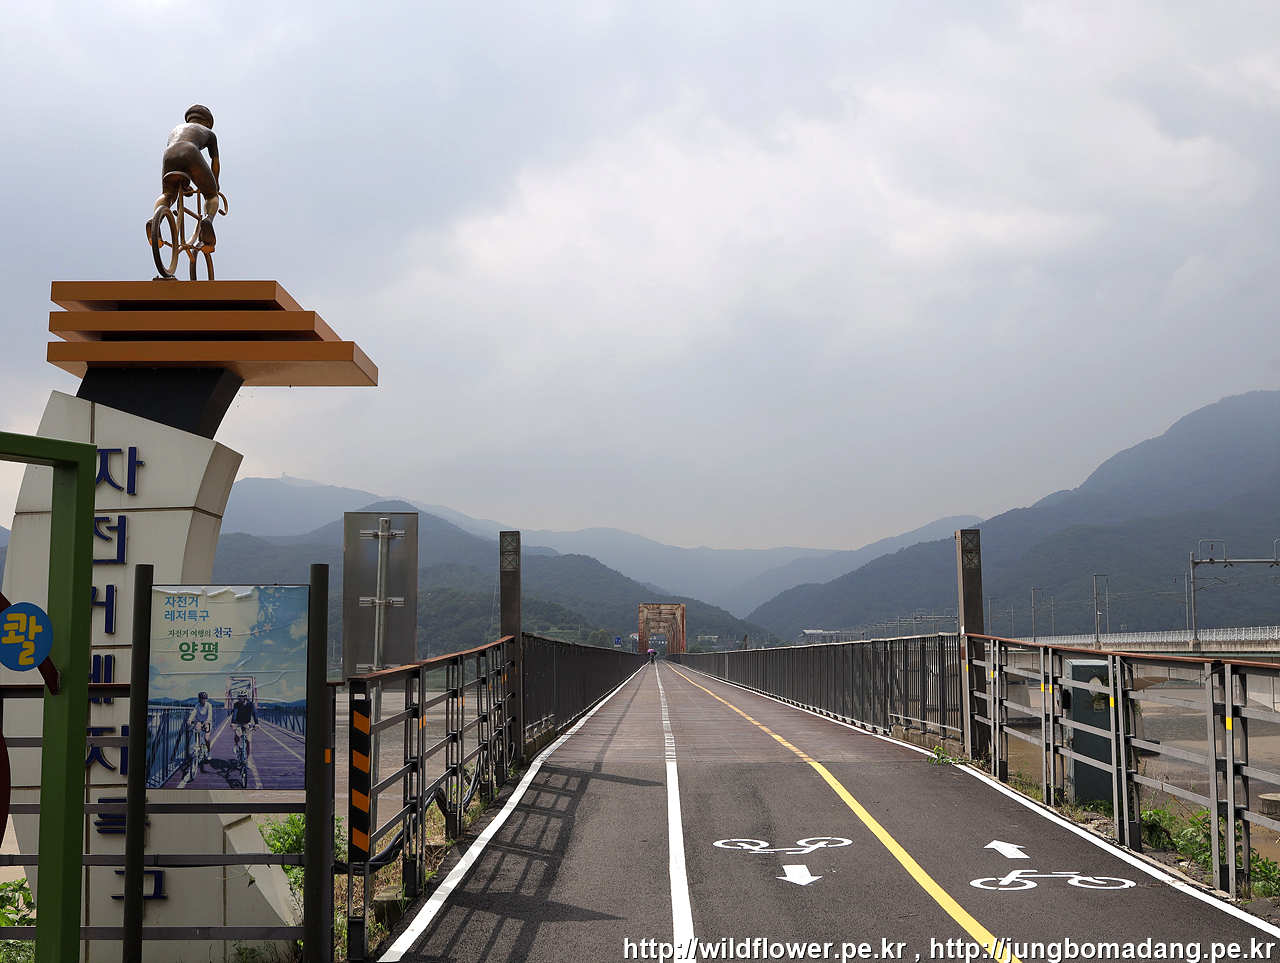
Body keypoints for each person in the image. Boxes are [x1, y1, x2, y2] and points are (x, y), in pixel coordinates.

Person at [150, 104, 221, 250]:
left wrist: (185, 184)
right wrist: (215, 183)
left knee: (168, 194)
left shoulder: (175, 130)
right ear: (208, 122)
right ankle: (208, 220)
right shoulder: (209, 133)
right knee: (211, 196)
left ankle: (155, 220)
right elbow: (215, 161)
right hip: (190, 151)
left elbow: (179, 157)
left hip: (169, 155)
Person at [186, 691, 214, 765]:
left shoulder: (209, 705)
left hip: (207, 722)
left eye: (205, 698)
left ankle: (209, 751)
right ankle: (197, 746)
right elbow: (194, 712)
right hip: (200, 721)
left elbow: (210, 714)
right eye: (202, 698)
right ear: (199, 699)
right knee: (197, 730)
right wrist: (189, 720)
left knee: (206, 738)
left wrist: (207, 721)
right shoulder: (197, 705)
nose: (204, 700)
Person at [230, 693, 259, 759]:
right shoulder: (237, 704)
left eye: (240, 697)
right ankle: (236, 744)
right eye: (238, 696)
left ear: (245, 697)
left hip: (247, 723)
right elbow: (235, 713)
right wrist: (233, 723)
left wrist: (256, 723)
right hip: (238, 722)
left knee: (249, 741)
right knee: (238, 735)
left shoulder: (250, 704)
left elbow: (254, 713)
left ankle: (249, 758)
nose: (238, 698)